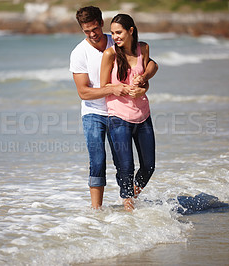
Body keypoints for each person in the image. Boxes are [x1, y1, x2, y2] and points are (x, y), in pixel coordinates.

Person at [69, 6, 158, 209]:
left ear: (101, 23)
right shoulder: (79, 53)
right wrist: (113, 89)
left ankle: (126, 199)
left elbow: (148, 64)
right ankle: (96, 212)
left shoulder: (118, 39)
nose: (92, 34)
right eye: (86, 31)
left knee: (126, 165)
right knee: (98, 160)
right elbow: (84, 92)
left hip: (120, 111)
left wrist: (144, 83)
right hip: (94, 112)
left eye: (95, 29)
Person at [100, 14, 156, 211]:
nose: (115, 36)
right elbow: (103, 85)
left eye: (119, 32)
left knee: (149, 166)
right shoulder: (110, 55)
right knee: (126, 168)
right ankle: (128, 206)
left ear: (131, 30)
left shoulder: (144, 48)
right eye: (113, 33)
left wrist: (143, 88)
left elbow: (146, 77)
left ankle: (131, 195)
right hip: (118, 117)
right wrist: (120, 89)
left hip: (143, 115)